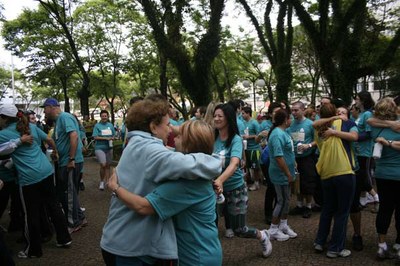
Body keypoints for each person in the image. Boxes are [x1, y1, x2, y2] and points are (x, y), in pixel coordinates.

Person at [100, 96, 223, 265]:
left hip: (123, 240)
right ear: (153, 127)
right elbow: (189, 164)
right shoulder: (152, 151)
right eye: (167, 125)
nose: (171, 131)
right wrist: (217, 160)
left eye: (178, 134)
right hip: (131, 248)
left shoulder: (136, 143)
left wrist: (115, 188)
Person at [0, 104, 71, 259]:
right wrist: (55, 153)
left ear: (4, 118)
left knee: (30, 214)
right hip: (46, 171)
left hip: (28, 178)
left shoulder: (4, 134)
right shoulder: (29, 127)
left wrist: (17, 143)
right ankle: (64, 239)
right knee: (53, 205)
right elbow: (49, 140)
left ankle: (33, 250)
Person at [212, 103, 271, 257]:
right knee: (210, 224)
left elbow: (234, 163)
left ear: (228, 118)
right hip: (215, 190)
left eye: (220, 116)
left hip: (235, 188)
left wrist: (220, 180)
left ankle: (262, 236)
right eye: (215, 115)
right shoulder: (212, 137)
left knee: (240, 230)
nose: (216, 119)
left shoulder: (235, 140)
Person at [312, 103, 358, 258]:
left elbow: (315, 123)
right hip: (344, 171)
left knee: (327, 209)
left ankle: (319, 242)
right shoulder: (346, 122)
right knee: (342, 212)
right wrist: (338, 122)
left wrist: (332, 129)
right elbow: (355, 137)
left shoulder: (319, 128)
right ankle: (335, 248)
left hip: (326, 173)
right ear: (336, 113)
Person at [41, 98, 87, 233]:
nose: (44, 111)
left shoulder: (65, 117)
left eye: (44, 108)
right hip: (65, 161)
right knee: (68, 192)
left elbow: (74, 136)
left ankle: (74, 223)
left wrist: (71, 159)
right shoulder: (59, 121)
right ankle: (80, 217)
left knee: (68, 194)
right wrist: (57, 153)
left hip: (70, 161)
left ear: (51, 107)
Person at [369, 97, 400, 260]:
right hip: (397, 174)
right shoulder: (397, 124)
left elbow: (369, 119)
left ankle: (381, 246)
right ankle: (398, 245)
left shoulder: (375, 127)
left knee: (385, 209)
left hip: (382, 174)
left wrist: (387, 142)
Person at [352, 91, 379, 251]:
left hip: (363, 153)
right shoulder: (361, 114)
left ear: (362, 100)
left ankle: (375, 197)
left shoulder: (368, 114)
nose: (355, 101)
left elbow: (369, 134)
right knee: (359, 181)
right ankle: (373, 197)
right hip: (356, 153)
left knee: (362, 178)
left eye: (356, 99)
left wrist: (352, 136)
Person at [266, 108, 297, 241]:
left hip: (286, 172)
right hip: (280, 173)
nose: (291, 120)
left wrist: (293, 163)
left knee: (287, 199)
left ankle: (283, 225)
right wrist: (288, 173)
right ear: (285, 120)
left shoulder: (283, 132)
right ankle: (273, 229)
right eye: (290, 117)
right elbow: (279, 157)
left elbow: (287, 151)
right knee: (281, 200)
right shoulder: (277, 134)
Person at [288, 101, 318, 219]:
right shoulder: (290, 124)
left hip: (307, 157)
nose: (294, 113)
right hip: (294, 157)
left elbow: (318, 140)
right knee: (297, 181)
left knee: (308, 182)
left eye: (296, 110)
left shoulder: (310, 124)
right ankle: (299, 205)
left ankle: (308, 206)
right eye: (292, 110)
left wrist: (308, 146)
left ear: (303, 110)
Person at [92, 110, 115, 191]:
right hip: (99, 148)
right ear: (100, 117)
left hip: (109, 147)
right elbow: (95, 137)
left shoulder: (110, 125)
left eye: (105, 116)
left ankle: (108, 182)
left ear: (107, 117)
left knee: (108, 165)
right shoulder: (97, 126)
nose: (104, 117)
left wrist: (112, 138)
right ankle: (102, 181)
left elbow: (114, 135)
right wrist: (106, 138)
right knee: (103, 164)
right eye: (103, 116)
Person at [241, 106, 262, 191]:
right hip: (246, 148)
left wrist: (249, 137)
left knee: (255, 167)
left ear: (248, 113)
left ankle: (256, 183)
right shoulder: (243, 123)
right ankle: (249, 182)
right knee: (248, 166)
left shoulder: (254, 123)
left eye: (243, 113)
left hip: (255, 148)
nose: (241, 115)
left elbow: (259, 135)